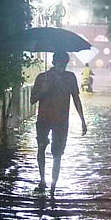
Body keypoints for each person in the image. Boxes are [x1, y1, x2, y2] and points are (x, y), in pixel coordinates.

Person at [30, 52, 87, 196]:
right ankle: (42, 181)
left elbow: (76, 99)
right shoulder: (43, 78)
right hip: (43, 119)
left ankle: (53, 187)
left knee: (57, 153)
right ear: (54, 63)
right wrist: (43, 91)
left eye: (64, 64)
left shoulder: (70, 78)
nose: (62, 66)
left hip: (61, 121)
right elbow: (32, 100)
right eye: (60, 63)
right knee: (41, 148)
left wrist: (82, 120)